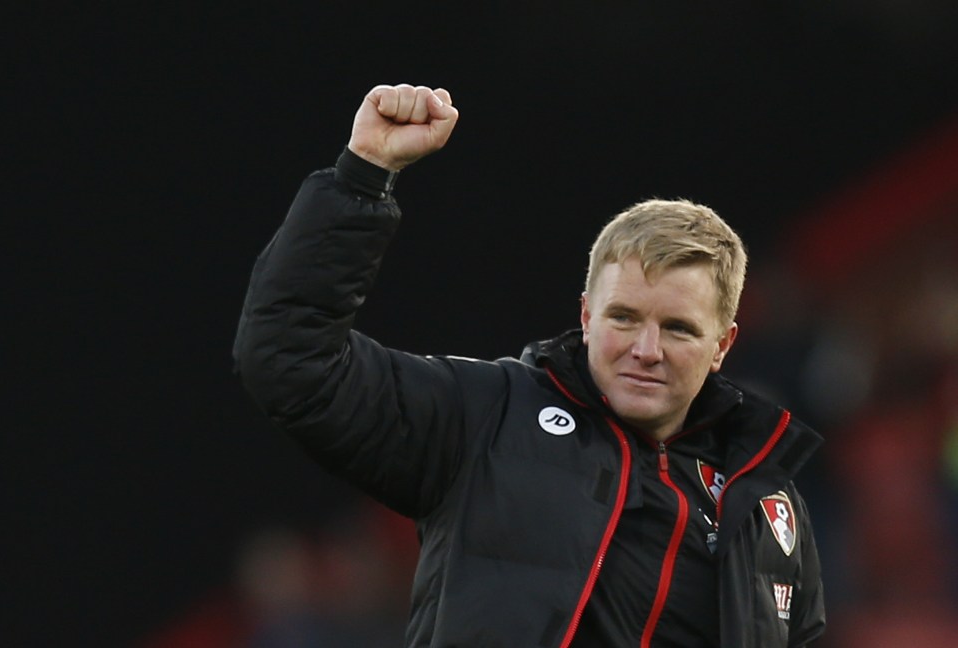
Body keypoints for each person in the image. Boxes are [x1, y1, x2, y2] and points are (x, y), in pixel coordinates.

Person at [234, 84, 826, 647]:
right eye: (624, 318)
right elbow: (290, 357)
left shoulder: (768, 504)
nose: (647, 349)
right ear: (587, 316)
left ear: (723, 344)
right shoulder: (488, 417)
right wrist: (362, 175)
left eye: (678, 329)